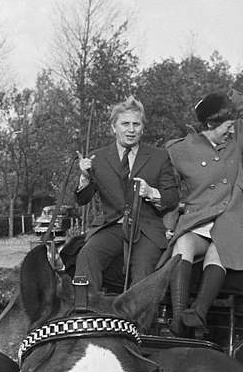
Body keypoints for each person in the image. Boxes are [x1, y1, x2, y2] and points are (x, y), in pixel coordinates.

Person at [161, 88, 243, 334]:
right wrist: (169, 227)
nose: (231, 131)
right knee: (182, 245)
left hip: (234, 218)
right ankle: (179, 319)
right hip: (200, 217)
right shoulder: (178, 150)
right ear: (210, 123)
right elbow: (170, 194)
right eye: (226, 127)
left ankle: (199, 312)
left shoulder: (235, 139)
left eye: (233, 126)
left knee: (220, 249)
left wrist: (224, 96)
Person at [74, 99, 179, 293]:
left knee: (143, 273)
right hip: (111, 225)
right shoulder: (98, 157)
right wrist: (85, 178)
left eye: (136, 124)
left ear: (142, 128)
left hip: (146, 229)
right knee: (87, 256)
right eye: (125, 124)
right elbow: (82, 199)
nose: (131, 130)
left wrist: (151, 193)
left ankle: (136, 322)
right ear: (114, 127)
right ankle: (87, 315)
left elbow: (172, 197)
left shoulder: (159, 156)